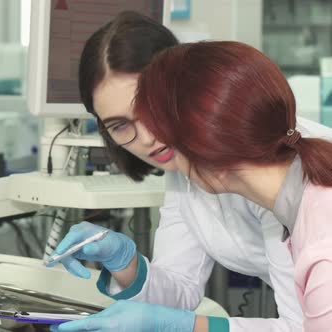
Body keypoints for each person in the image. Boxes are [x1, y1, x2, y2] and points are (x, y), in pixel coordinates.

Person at [47, 11, 332, 332]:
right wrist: (125, 264)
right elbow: (180, 288)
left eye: (149, 111)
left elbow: (301, 327)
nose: (148, 137)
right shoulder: (185, 170)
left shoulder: (288, 188)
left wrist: (181, 326)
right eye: (120, 125)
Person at [131, 40, 332, 331]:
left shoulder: (322, 249)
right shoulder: (307, 203)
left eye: (167, 143)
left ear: (204, 149)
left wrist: (184, 326)